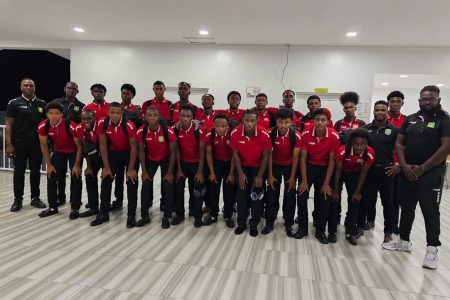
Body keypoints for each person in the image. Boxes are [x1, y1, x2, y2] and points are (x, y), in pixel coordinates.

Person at [383, 85, 450, 270]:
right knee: (407, 208)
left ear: (438, 100)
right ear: (419, 100)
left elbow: (445, 148)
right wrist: (404, 166)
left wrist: (423, 168)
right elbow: (399, 143)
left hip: (431, 173)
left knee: (430, 211)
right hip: (407, 171)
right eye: (423, 99)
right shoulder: (411, 119)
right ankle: (404, 241)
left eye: (431, 99)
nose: (427, 102)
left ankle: (432, 249)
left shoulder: (445, 120)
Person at [91, 102, 138, 228]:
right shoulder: (102, 123)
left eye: (118, 113)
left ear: (122, 113)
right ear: (108, 113)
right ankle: (103, 213)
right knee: (106, 179)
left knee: (131, 181)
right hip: (113, 152)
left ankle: (131, 215)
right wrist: (106, 167)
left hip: (129, 153)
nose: (115, 115)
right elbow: (103, 145)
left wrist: (131, 169)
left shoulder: (129, 125)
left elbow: (134, 148)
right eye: (112, 112)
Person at [358, 101, 399, 243]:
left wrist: (398, 165)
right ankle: (360, 227)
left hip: (387, 171)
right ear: (373, 111)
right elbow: (360, 148)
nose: (380, 112)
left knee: (387, 202)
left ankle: (388, 231)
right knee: (364, 200)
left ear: (387, 111)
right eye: (377, 110)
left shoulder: (394, 131)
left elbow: (401, 150)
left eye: (382, 110)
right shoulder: (366, 129)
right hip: (369, 170)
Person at [297, 108, 340, 243]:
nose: (320, 122)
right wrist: (304, 180)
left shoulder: (334, 136)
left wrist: (327, 183)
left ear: (328, 122)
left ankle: (320, 231)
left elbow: (332, 161)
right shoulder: (305, 134)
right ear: (313, 121)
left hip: (325, 169)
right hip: (308, 167)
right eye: (317, 119)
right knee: (302, 196)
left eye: (323, 120)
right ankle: (302, 229)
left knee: (325, 199)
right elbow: (302, 159)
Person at [37, 102, 83, 218]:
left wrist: (77, 165)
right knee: (51, 175)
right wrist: (49, 165)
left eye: (57, 114)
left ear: (62, 115)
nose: (54, 116)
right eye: (51, 113)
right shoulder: (44, 126)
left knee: (75, 177)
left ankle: (75, 208)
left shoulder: (71, 125)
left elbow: (80, 146)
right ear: (46, 114)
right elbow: (43, 145)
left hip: (74, 152)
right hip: (59, 152)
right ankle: (53, 207)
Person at [7, 78, 47, 212]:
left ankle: (35, 198)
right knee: (19, 172)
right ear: (21, 87)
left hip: (36, 144)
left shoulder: (42, 103)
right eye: (25, 85)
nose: (28, 87)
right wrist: (9, 144)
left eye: (31, 85)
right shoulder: (14, 103)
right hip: (19, 143)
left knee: (35, 172)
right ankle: (18, 199)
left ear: (34, 88)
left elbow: (45, 126)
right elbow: (9, 125)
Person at [231, 109, 271, 237]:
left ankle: (254, 223)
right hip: (242, 168)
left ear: (257, 121)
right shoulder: (235, 133)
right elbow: (235, 155)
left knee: (257, 197)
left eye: (252, 120)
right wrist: (240, 173)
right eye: (246, 120)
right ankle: (241, 223)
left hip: (258, 169)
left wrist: (260, 176)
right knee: (241, 196)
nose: (249, 123)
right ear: (242, 120)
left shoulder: (264, 134)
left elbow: (266, 156)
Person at [332, 128, 374, 245]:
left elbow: (364, 172)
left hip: (355, 174)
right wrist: (336, 191)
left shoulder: (369, 153)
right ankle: (332, 231)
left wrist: (357, 191)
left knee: (354, 201)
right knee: (335, 199)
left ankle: (350, 232)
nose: (359, 147)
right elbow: (338, 171)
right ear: (351, 143)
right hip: (340, 173)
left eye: (363, 144)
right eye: (357, 144)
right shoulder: (342, 150)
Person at [137, 106, 177, 228]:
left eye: (155, 115)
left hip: (166, 159)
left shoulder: (168, 131)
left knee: (167, 185)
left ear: (159, 117)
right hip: (150, 159)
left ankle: (167, 216)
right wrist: (143, 171)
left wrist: (170, 172)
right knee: (146, 184)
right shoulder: (141, 132)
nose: (152, 117)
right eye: (149, 115)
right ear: (145, 117)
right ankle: (144, 216)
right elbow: (141, 152)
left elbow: (173, 152)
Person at [264, 108, 301, 237]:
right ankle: (269, 221)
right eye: (280, 122)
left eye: (286, 122)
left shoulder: (296, 135)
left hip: (290, 167)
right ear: (276, 122)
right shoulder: (271, 133)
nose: (283, 125)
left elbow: (296, 158)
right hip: (274, 166)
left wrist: (292, 178)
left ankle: (289, 223)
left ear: (291, 122)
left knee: (290, 194)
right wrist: (269, 175)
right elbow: (268, 155)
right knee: (271, 194)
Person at [172, 106, 207, 227]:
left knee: (198, 191)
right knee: (178, 188)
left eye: (188, 116)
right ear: (179, 116)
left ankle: (197, 216)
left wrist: (200, 171)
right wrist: (179, 170)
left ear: (192, 117)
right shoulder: (175, 129)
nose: (185, 119)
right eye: (183, 116)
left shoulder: (199, 130)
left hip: (197, 163)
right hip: (182, 163)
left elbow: (202, 151)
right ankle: (180, 215)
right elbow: (176, 150)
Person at [52, 81, 85, 206]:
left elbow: (83, 123)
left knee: (76, 175)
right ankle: (60, 197)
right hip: (59, 147)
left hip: (76, 148)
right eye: (69, 88)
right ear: (65, 89)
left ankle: (75, 201)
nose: (71, 90)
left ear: (77, 91)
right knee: (59, 175)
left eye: (74, 89)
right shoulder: (56, 103)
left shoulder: (81, 106)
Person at [204, 114, 237, 227]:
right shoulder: (209, 134)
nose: (220, 128)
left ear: (227, 126)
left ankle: (228, 215)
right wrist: (212, 173)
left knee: (229, 191)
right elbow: (208, 153)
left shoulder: (233, 134)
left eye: (223, 126)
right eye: (217, 126)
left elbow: (234, 155)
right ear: (214, 125)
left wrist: (232, 173)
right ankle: (213, 214)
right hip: (216, 163)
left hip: (230, 163)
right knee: (213, 190)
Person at [387, 90, 407, 233]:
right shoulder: (381, 118)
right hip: (383, 164)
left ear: (402, 103)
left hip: (399, 166)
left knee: (396, 198)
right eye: (392, 101)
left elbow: (409, 145)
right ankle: (369, 220)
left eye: (397, 101)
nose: (395, 104)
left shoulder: (407, 121)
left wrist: (401, 164)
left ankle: (394, 225)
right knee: (374, 196)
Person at [76, 109, 102, 218]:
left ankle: (105, 206)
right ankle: (93, 207)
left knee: (106, 178)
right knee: (89, 175)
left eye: (89, 118)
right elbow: (86, 148)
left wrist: (106, 167)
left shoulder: (101, 126)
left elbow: (104, 147)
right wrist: (89, 166)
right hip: (93, 154)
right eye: (83, 118)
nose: (86, 121)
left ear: (95, 119)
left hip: (107, 154)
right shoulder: (79, 128)